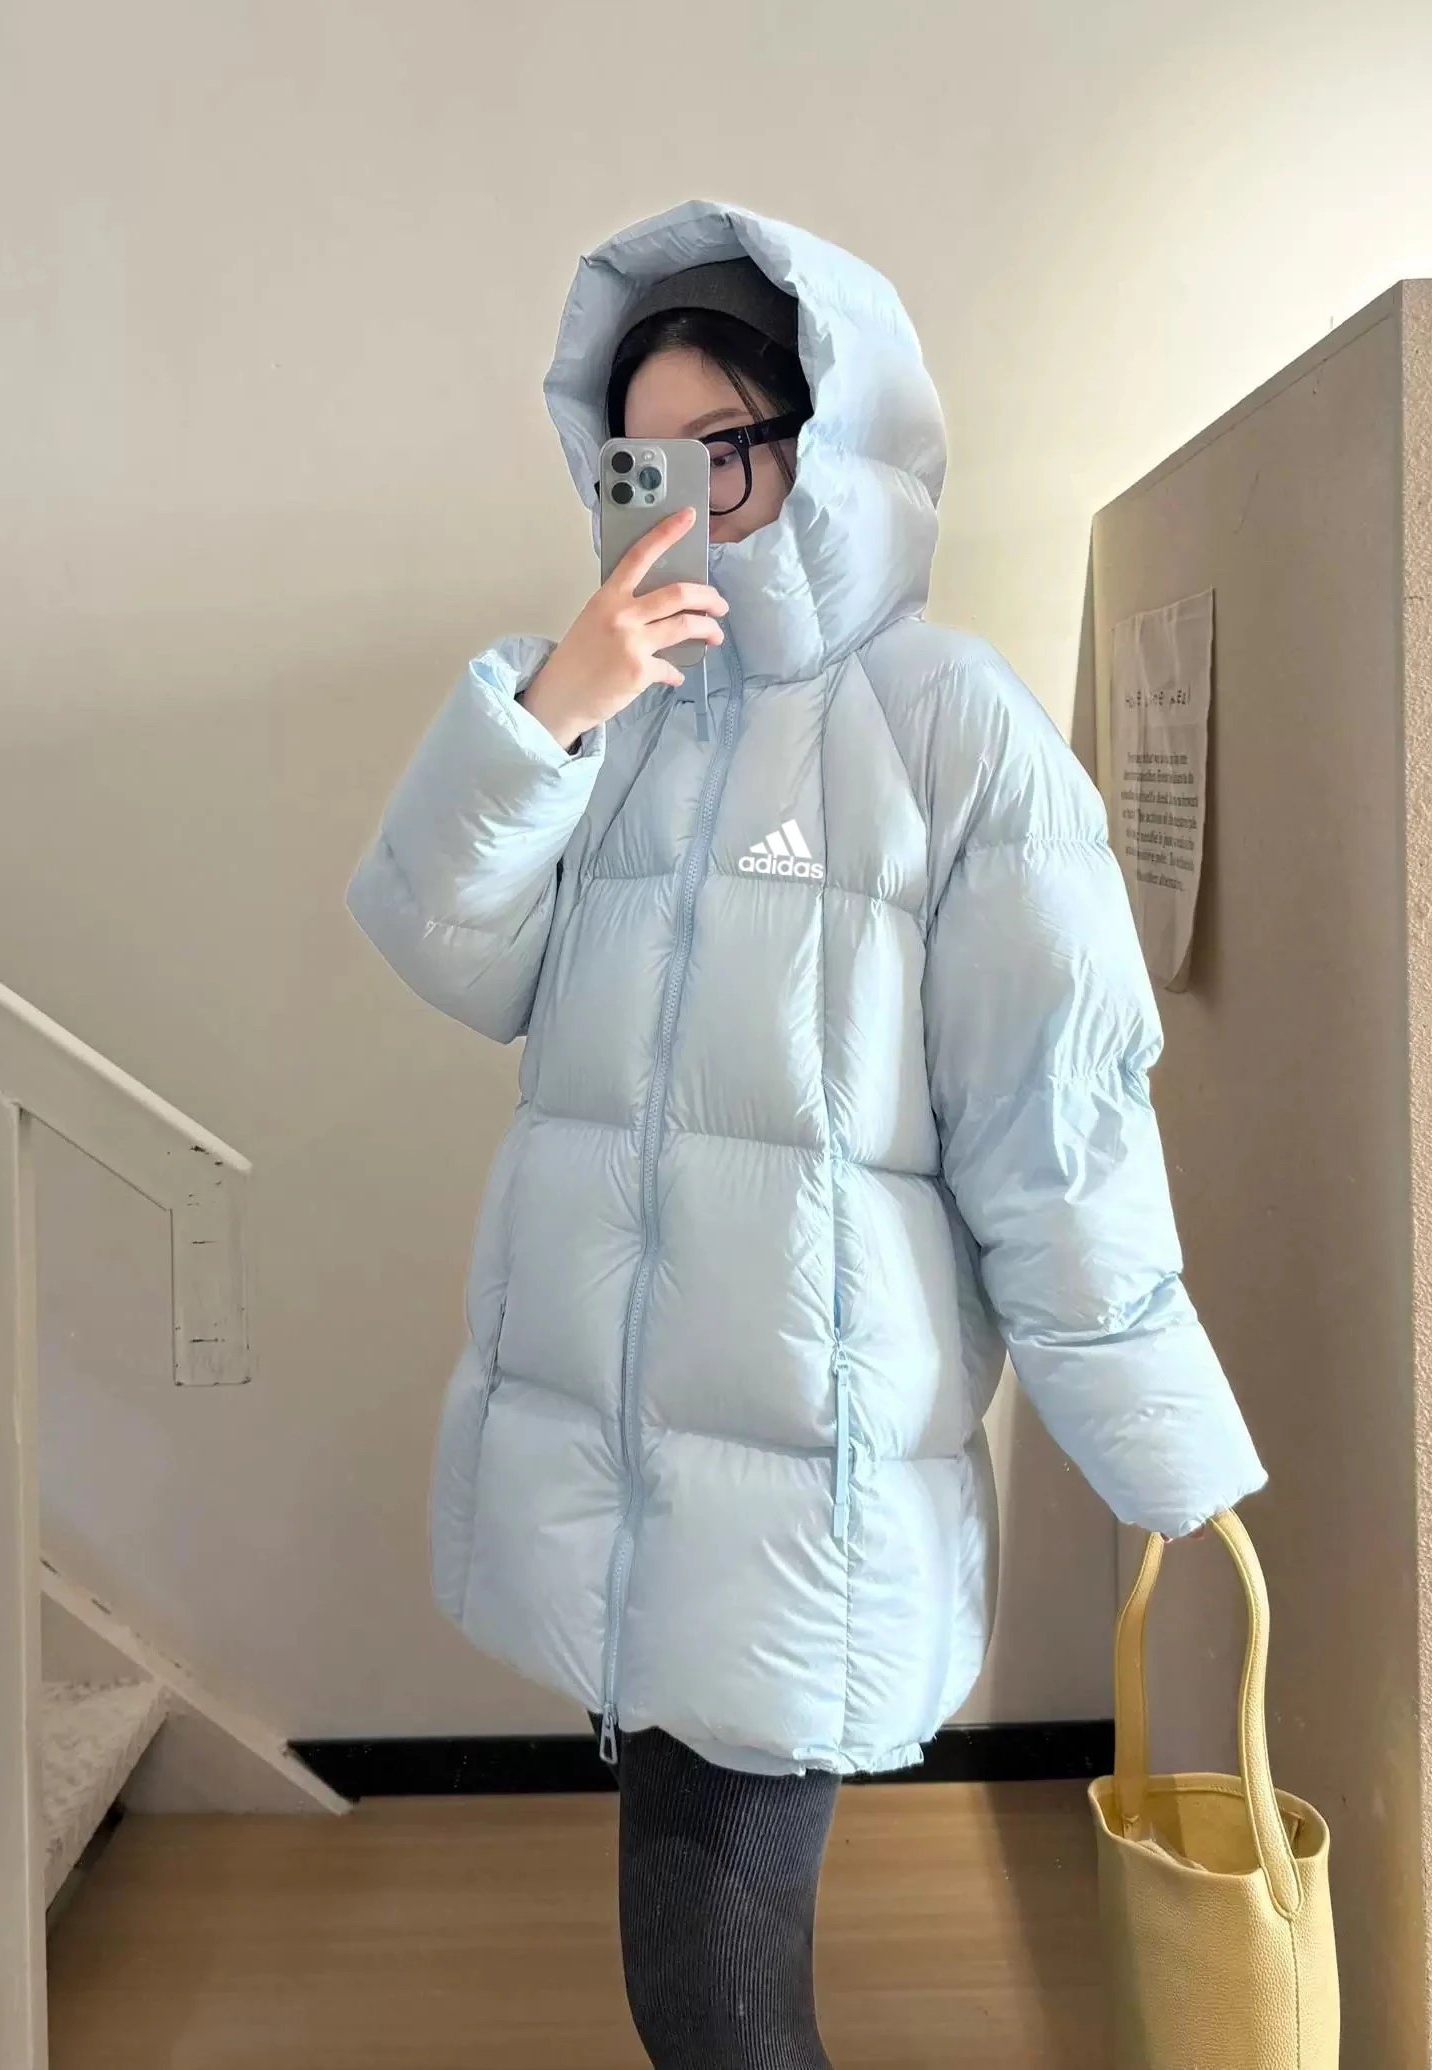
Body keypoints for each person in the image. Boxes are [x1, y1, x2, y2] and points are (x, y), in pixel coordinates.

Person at [346, 200, 1266, 2070]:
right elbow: (451, 950)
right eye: (637, 464)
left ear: (823, 448)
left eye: (725, 453)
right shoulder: (608, 707)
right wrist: (550, 715)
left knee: (712, 1992)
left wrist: (1159, 1437)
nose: (680, 508)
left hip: (800, 1484)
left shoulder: (948, 725)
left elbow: (1054, 1119)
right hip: (617, 1461)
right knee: (699, 1976)